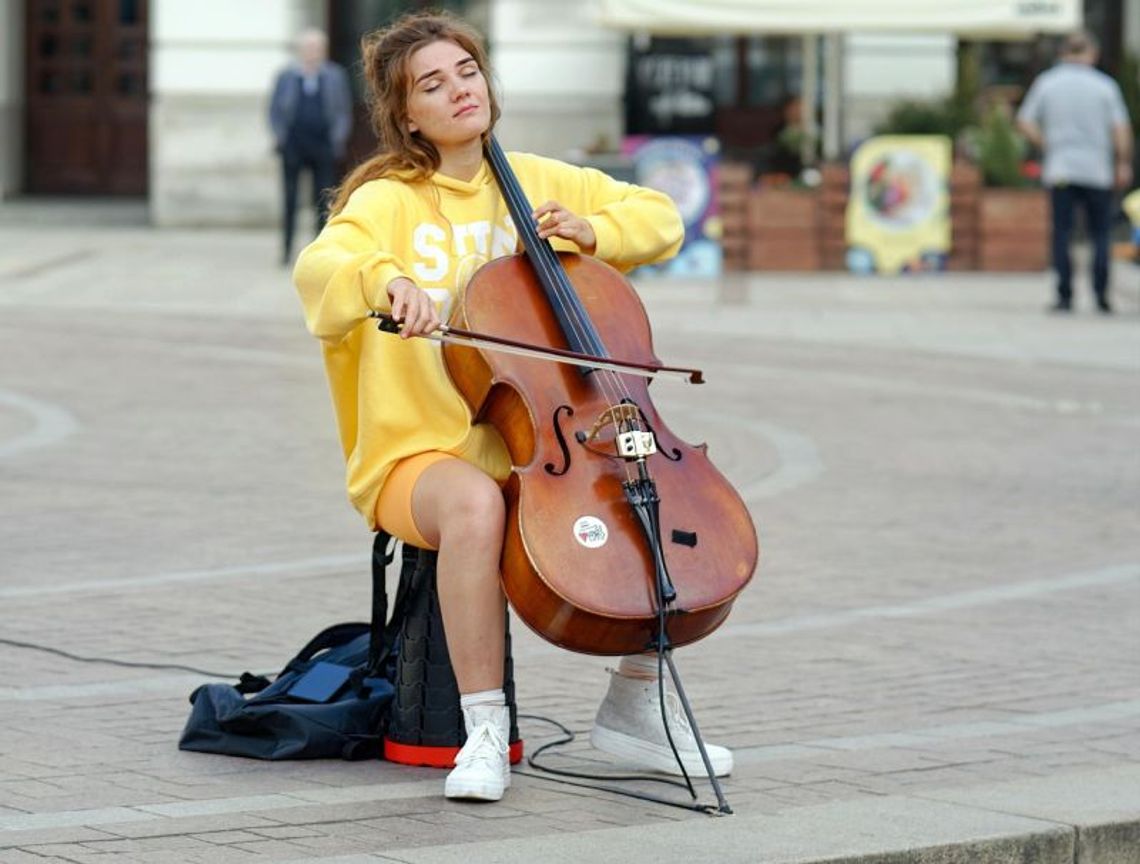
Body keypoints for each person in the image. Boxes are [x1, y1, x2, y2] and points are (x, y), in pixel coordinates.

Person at [293, 11, 733, 802]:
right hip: (418, 457)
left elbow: (662, 217)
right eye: (433, 84)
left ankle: (635, 701)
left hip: (538, 445)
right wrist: (384, 282)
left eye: (466, 70)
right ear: (407, 116)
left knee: (654, 495)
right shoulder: (388, 201)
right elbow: (326, 265)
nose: (458, 90)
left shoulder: (535, 180)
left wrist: (594, 230)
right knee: (472, 504)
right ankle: (483, 728)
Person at [1016, 30, 1134, 314]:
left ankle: (1065, 295)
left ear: (1063, 53)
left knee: (1062, 233)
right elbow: (1120, 129)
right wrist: (1122, 162)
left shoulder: (1047, 83)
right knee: (1101, 234)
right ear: (1091, 54)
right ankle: (1101, 295)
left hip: (1061, 168)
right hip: (1097, 170)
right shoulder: (1105, 86)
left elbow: (1024, 121)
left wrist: (1046, 143)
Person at [270, 28, 354, 265]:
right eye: (308, 47)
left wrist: (337, 138)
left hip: (323, 145)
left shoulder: (334, 75)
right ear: (300, 50)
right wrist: (281, 137)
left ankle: (320, 251)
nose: (312, 52)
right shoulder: (286, 76)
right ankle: (286, 250)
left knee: (323, 198)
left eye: (317, 48)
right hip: (294, 144)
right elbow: (274, 110)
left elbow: (342, 110)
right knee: (290, 198)